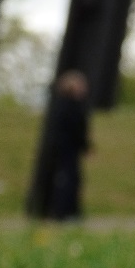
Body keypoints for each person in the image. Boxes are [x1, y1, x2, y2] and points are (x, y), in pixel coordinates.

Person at [47, 70, 91, 221]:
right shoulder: (71, 106)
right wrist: (85, 145)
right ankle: (65, 212)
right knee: (68, 180)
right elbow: (76, 129)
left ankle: (66, 211)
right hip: (67, 149)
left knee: (70, 179)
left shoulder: (63, 104)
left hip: (66, 148)